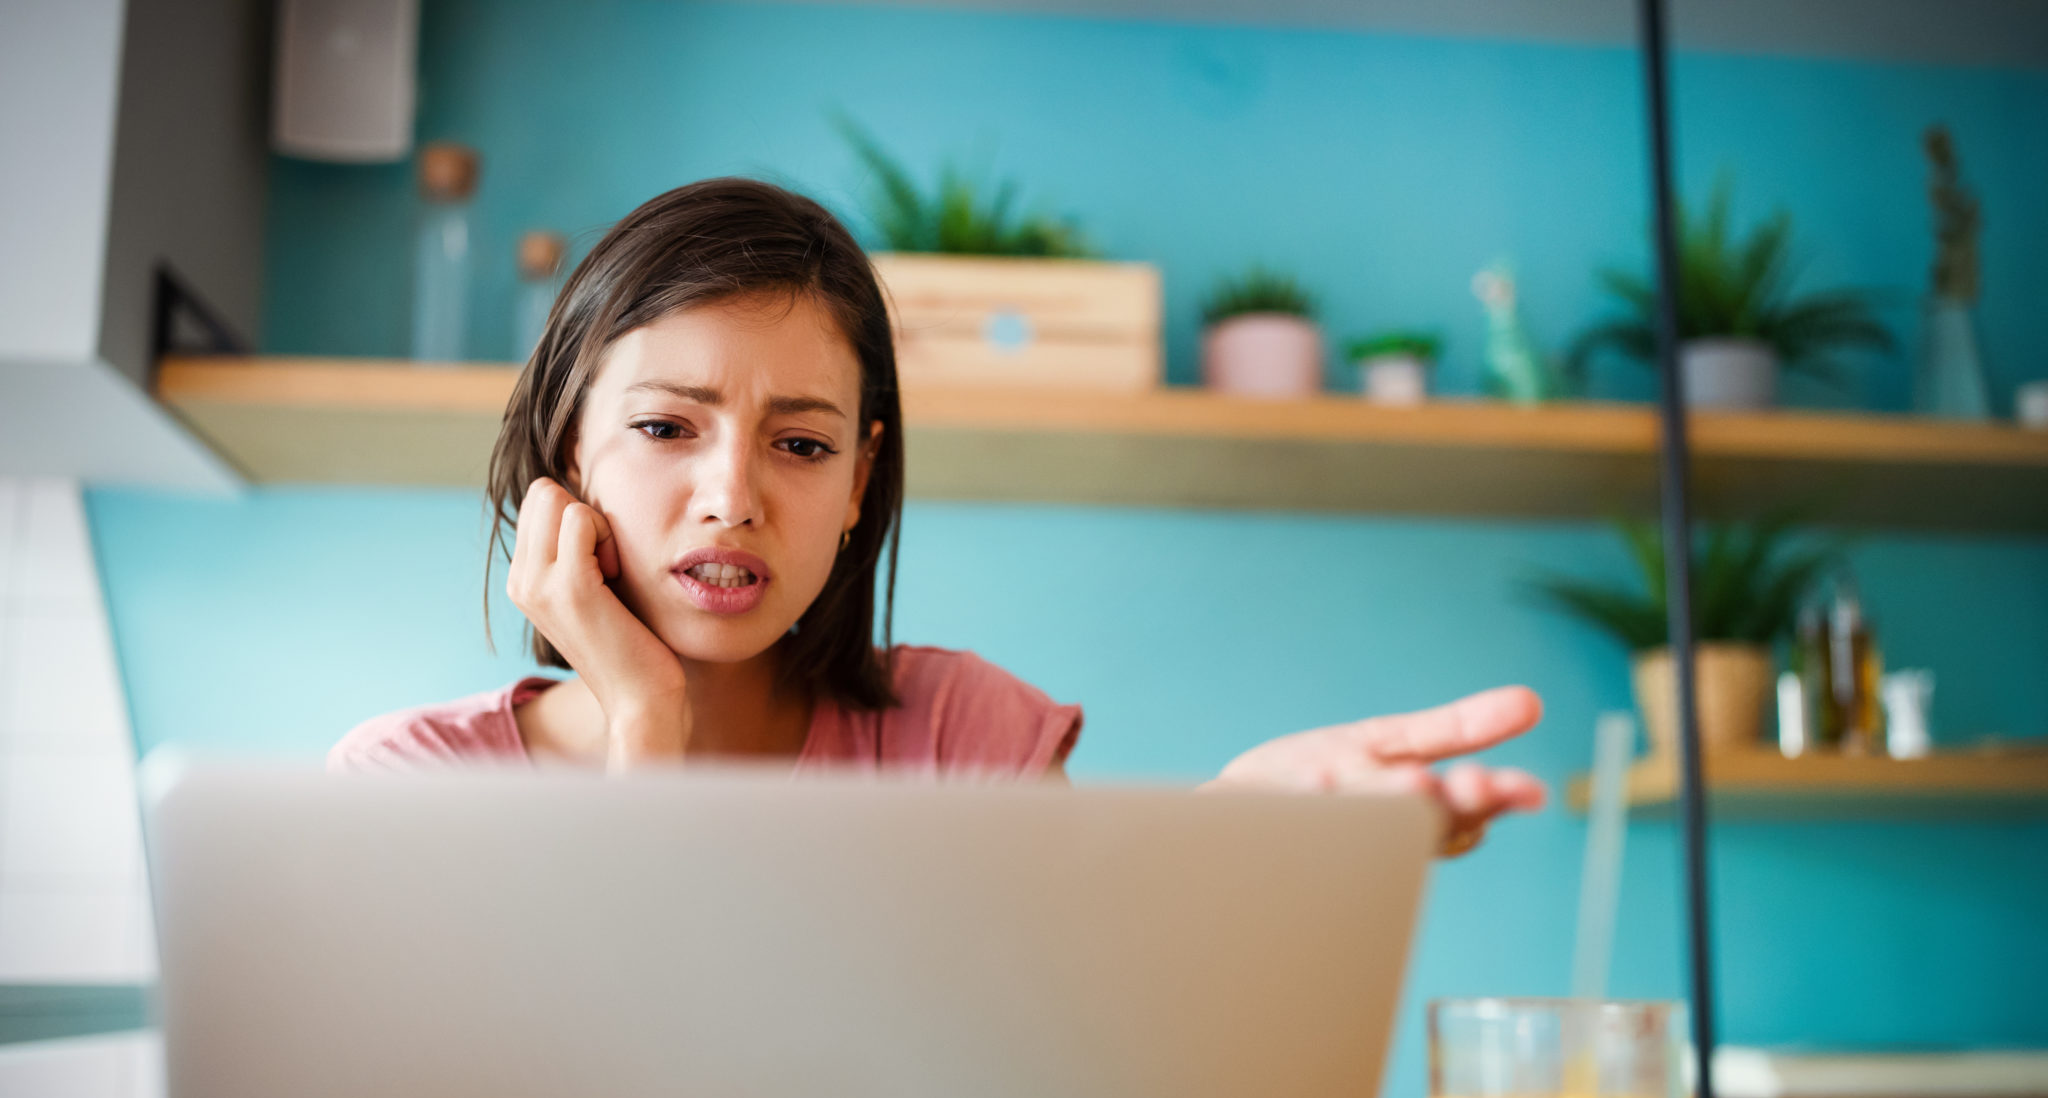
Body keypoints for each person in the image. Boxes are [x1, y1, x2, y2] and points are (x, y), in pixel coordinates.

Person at [331, 179, 1545, 855]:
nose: (733, 496)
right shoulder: (410, 789)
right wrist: (647, 722)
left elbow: (1084, 1037)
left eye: (801, 445)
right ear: (565, 453)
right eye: (664, 428)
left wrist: (1234, 840)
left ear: (859, 482)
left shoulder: (960, 737)